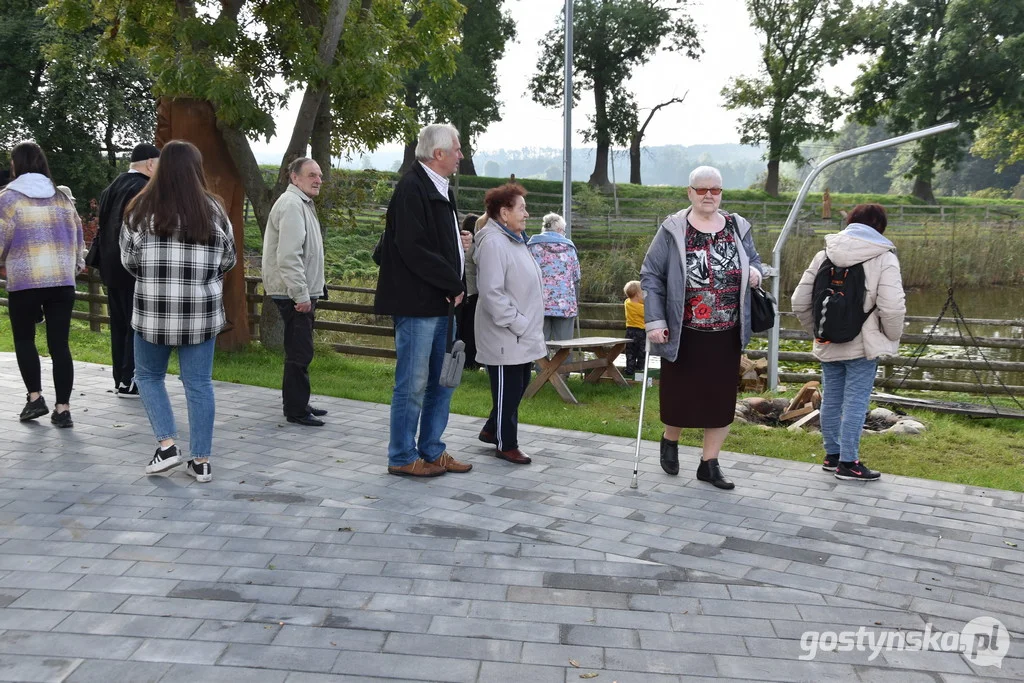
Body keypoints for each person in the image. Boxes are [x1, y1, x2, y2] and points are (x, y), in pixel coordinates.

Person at [640, 165, 764, 491]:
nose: (709, 195)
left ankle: (709, 464)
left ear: (721, 193)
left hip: (727, 330)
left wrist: (756, 273)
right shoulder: (673, 229)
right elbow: (651, 274)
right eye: (702, 189)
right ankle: (670, 438)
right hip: (685, 330)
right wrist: (655, 321)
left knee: (719, 402)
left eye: (716, 190)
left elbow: (755, 260)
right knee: (680, 397)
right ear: (690, 192)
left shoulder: (737, 226)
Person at [120, 140, 237, 483]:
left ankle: (167, 445)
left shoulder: (139, 210)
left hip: (152, 313)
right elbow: (227, 260)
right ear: (196, 169)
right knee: (199, 384)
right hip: (201, 314)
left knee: (148, 376)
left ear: (160, 168)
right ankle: (201, 462)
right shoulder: (214, 211)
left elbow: (129, 261)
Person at [374, 123, 474, 477]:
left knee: (442, 380)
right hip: (419, 305)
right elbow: (413, 248)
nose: (462, 155)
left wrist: (457, 244)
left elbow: (431, 242)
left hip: (442, 303)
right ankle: (402, 455)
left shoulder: (439, 187)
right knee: (413, 384)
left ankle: (432, 449)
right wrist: (452, 280)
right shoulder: (412, 188)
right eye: (458, 150)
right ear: (439, 154)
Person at [791, 204, 906, 482]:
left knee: (831, 400)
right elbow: (892, 308)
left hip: (829, 341)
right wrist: (890, 336)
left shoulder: (824, 254)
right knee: (856, 402)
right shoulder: (884, 258)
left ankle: (832, 456)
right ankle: (849, 463)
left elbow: (798, 301)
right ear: (880, 227)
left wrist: (818, 329)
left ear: (851, 222)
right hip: (863, 345)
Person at [0, 141, 85, 427]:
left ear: (16, 165)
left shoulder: (8, 199)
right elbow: (78, 237)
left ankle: (35, 399)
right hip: (61, 281)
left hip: (25, 280)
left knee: (25, 339)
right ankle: (63, 409)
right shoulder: (62, 198)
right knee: (60, 344)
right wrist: (75, 264)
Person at [474, 183, 546, 465]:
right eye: (521, 208)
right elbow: (492, 293)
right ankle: (506, 444)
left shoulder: (514, 239)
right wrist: (518, 323)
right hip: (505, 335)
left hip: (520, 334)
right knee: (508, 391)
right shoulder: (493, 242)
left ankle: (492, 429)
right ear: (504, 213)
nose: (527, 214)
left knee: (517, 387)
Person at [263, 157, 328, 427]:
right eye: (311, 175)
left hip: (299, 291)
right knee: (300, 353)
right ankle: (296, 410)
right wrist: (301, 295)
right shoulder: (291, 205)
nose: (318, 180)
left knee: (299, 350)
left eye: (320, 176)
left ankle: (299, 402)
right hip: (293, 293)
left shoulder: (301, 203)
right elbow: (289, 256)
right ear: (294, 178)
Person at [92, 143, 160, 397]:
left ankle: (121, 377)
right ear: (151, 164)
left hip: (110, 266)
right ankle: (132, 378)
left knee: (119, 323)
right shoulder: (145, 188)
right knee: (137, 323)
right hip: (134, 266)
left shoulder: (112, 187)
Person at [527, 212, 580, 343]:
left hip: (538, 304)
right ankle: (562, 364)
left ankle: (540, 365)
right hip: (565, 305)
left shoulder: (531, 247)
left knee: (539, 347)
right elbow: (576, 276)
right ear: (560, 230)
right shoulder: (569, 248)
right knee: (564, 347)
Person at [623, 280, 646, 378]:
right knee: (642, 352)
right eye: (642, 293)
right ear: (637, 295)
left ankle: (629, 370)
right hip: (641, 332)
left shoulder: (627, 302)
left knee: (630, 352)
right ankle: (640, 370)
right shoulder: (641, 307)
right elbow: (648, 314)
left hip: (629, 331)